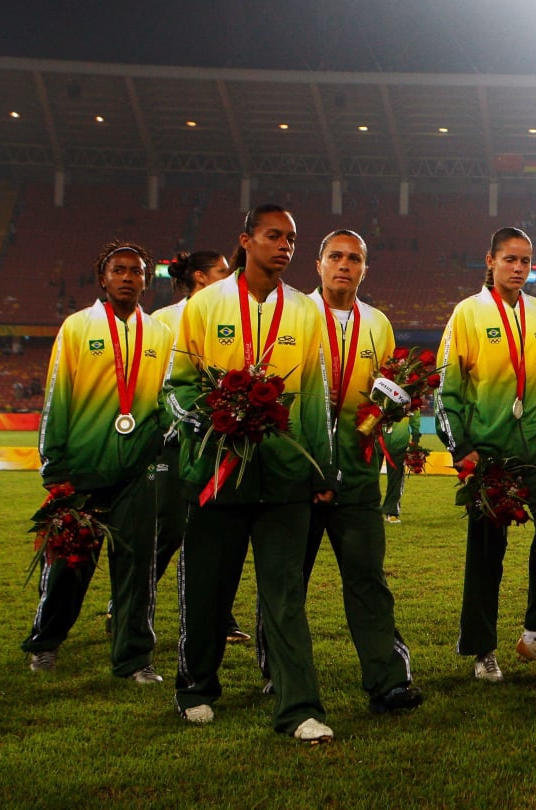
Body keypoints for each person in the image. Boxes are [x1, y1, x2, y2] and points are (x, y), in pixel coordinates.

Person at [166, 204, 336, 743]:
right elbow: (177, 386)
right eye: (273, 236)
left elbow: (315, 397)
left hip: (284, 476)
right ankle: (195, 687)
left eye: (291, 238)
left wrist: (320, 469)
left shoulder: (306, 312)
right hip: (218, 471)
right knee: (209, 589)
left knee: (285, 595)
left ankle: (299, 707)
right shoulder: (205, 304)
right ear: (246, 239)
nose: (284, 245)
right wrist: (213, 419)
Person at [22, 241, 173, 684]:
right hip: (83, 471)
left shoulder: (160, 334)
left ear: (146, 280)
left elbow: (166, 402)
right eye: (118, 270)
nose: (128, 277)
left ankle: (133, 659)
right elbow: (57, 398)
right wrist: (55, 467)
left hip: (139, 472)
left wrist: (163, 442)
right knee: (69, 563)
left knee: (136, 568)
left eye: (136, 271)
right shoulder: (76, 327)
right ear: (102, 278)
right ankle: (45, 643)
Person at [288, 229, 422, 713]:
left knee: (368, 581)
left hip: (359, 478)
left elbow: (386, 396)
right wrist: (308, 470)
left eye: (354, 258)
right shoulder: (294, 315)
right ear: (318, 264)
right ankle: (275, 671)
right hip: (299, 479)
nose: (344, 265)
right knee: (288, 584)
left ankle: (387, 681)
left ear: (366, 268)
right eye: (335, 256)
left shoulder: (378, 324)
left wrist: (389, 419)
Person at [433, 227, 536, 682]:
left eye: (526, 261)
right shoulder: (467, 314)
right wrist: (461, 448)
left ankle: (534, 634)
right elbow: (446, 390)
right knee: (487, 552)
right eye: (510, 259)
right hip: (489, 453)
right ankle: (481, 648)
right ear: (489, 260)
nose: (518, 268)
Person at [150, 251, 246, 643]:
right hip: (175, 443)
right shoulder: (164, 319)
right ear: (202, 278)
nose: (232, 277)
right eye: (224, 271)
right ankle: (132, 601)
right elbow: (160, 382)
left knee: (220, 535)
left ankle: (220, 617)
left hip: (221, 441)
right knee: (170, 530)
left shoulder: (233, 314)